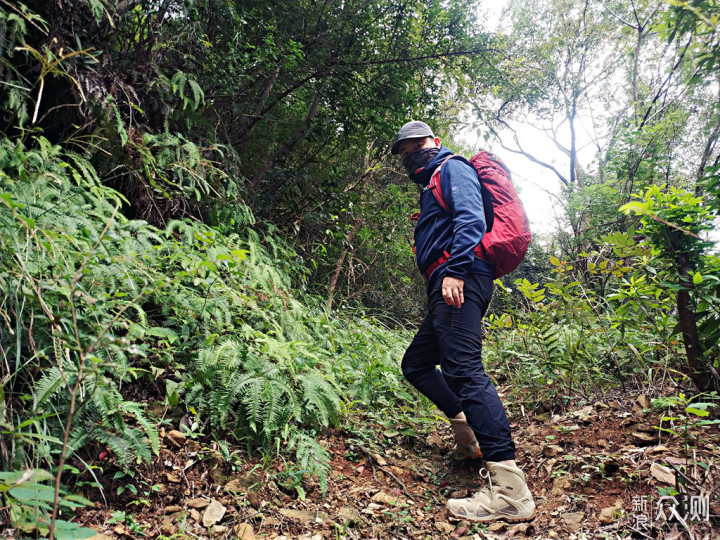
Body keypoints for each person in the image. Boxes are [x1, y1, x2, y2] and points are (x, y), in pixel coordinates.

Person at [391, 120, 535, 523]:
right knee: (417, 364)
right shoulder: (433, 182)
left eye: (416, 145)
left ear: (434, 142)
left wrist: (455, 270)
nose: (411, 155)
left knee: (465, 371)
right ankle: (469, 436)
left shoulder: (452, 167)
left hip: (461, 276)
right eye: (404, 152)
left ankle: (510, 491)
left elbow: (471, 216)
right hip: (449, 282)